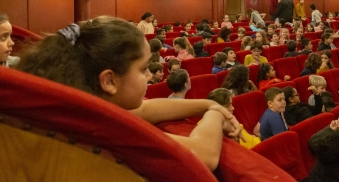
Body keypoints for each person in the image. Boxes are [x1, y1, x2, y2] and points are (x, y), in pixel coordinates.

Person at [16, 17, 242, 171]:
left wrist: (205, 105)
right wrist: (216, 113)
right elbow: (205, 154)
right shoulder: (100, 128)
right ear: (109, 80)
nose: (151, 75)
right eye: (143, 69)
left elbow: (144, 109)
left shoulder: (84, 105)